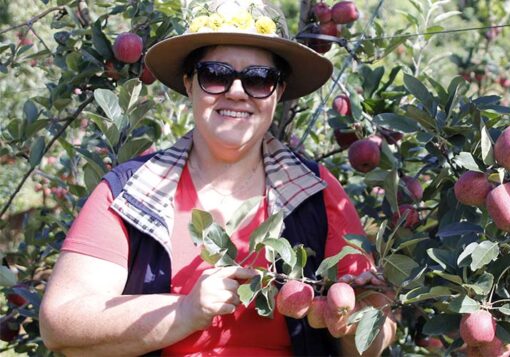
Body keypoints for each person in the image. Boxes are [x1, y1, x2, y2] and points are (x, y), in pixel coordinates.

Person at [38, 0, 395, 355]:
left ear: (279, 93)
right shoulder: (129, 192)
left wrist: (353, 319)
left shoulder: (317, 191)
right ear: (189, 83)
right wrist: (184, 311)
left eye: (260, 79)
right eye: (216, 75)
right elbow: (60, 323)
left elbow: (371, 344)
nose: (237, 91)